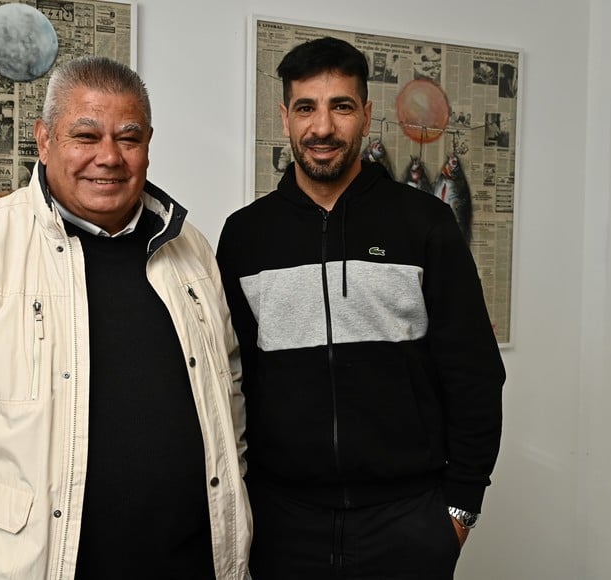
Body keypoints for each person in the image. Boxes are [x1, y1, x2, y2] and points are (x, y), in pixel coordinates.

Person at [0, 56, 250, 580]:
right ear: (44, 140)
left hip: (192, 561)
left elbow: (227, 393)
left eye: (128, 137)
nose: (108, 157)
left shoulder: (190, 249)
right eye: (85, 135)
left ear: (148, 143)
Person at [216, 37, 505, 580]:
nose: (322, 127)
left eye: (341, 106)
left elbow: (475, 373)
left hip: (409, 522)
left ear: (367, 115)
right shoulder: (246, 236)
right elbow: (233, 381)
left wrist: (459, 510)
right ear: (285, 117)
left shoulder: (425, 225)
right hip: (284, 524)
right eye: (306, 107)